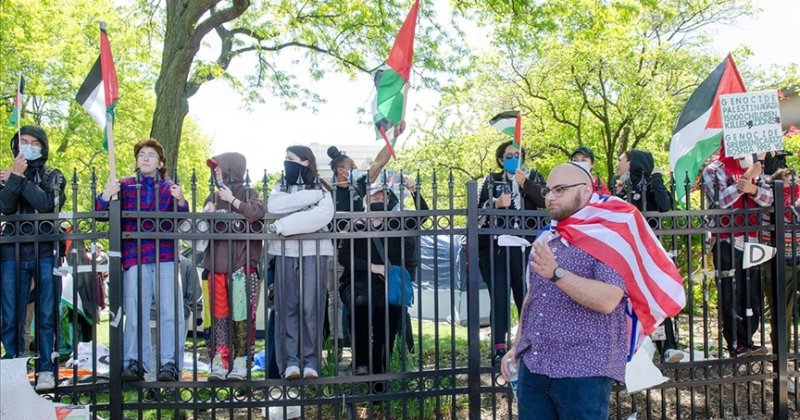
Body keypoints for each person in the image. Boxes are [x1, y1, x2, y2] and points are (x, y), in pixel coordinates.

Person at [501, 163, 628, 419]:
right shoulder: (547, 237)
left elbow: (608, 300)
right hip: (535, 366)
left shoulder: (608, 237)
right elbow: (532, 298)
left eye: (560, 190)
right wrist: (516, 348)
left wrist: (557, 273)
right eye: (548, 190)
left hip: (583, 371)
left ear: (585, 191)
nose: (550, 197)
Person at [97, 138, 188, 382]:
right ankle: (135, 362)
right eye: (141, 154)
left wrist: (180, 200)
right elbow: (99, 213)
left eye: (151, 155)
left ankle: (169, 363)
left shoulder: (170, 187)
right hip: (134, 257)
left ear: (160, 163)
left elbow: (182, 219)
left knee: (170, 312)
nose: (145, 158)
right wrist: (107, 194)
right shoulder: (124, 185)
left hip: (166, 256)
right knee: (136, 312)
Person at [0, 125, 66, 391]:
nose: (28, 145)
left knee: (47, 314)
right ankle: (14, 366)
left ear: (42, 145)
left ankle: (46, 370)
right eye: (23, 141)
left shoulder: (54, 175)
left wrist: (21, 179)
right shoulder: (7, 175)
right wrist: (14, 177)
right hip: (11, 254)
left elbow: (47, 204)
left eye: (33, 142)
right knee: (9, 314)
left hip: (45, 251)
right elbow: (5, 206)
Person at [267, 146, 334, 380]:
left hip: (314, 251)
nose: (287, 162)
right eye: (285, 157)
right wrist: (309, 200)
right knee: (287, 308)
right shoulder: (281, 185)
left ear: (306, 162)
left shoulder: (322, 186)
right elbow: (274, 207)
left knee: (310, 307)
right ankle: (290, 363)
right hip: (285, 253)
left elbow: (323, 216)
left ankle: (311, 362)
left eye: (291, 158)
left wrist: (284, 226)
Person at [477, 140, 545, 364]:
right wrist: (495, 203)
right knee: (499, 297)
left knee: (525, 297)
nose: (513, 158)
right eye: (508, 155)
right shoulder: (491, 180)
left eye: (517, 154)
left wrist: (525, 183)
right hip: (497, 249)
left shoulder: (532, 176)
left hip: (525, 248)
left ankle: (528, 345)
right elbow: (476, 213)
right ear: (500, 160)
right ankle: (499, 348)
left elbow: (545, 200)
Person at [701, 146, 773, 357]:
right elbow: (720, 202)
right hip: (726, 240)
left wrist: (755, 189)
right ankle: (735, 343)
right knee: (731, 292)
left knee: (752, 293)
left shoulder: (755, 167)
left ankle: (748, 339)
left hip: (754, 239)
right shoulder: (714, 170)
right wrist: (744, 182)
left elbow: (769, 200)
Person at [200, 152, 266, 381]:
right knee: (218, 316)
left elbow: (257, 213)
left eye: (219, 168)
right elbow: (198, 233)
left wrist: (233, 201)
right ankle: (219, 360)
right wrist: (204, 214)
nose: (215, 173)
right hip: (215, 267)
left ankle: (241, 362)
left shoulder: (250, 192)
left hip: (242, 266)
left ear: (232, 169)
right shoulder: (212, 196)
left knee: (242, 316)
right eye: (214, 169)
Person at [616, 149, 684, 362]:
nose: (617, 164)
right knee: (625, 300)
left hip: (647, 250)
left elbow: (665, 206)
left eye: (621, 160)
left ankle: (667, 346)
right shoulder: (621, 187)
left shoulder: (649, 184)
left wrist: (656, 177)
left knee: (654, 295)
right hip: (625, 252)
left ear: (631, 162)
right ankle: (629, 351)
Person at [762, 168, 800, 352]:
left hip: (798, 260)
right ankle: (782, 359)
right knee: (781, 314)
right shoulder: (771, 201)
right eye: (789, 179)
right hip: (779, 264)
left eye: (796, 179)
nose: (794, 182)